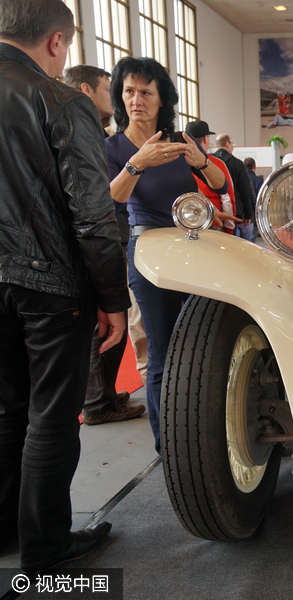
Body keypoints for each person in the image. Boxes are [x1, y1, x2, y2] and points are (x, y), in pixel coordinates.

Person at [0, 0, 129, 571]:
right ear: (57, 43)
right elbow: (93, 215)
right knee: (51, 418)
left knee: (7, 412)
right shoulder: (60, 100)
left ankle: (7, 531)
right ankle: (46, 554)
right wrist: (112, 299)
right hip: (48, 284)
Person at [105, 57, 234, 454]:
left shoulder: (178, 140)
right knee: (161, 349)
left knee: (204, 343)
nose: (136, 99)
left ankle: (209, 432)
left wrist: (202, 160)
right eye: (129, 91)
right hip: (147, 253)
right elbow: (112, 197)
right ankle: (169, 446)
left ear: (162, 99)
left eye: (146, 92)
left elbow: (217, 182)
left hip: (193, 247)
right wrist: (136, 164)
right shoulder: (113, 147)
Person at [64, 64, 145, 425]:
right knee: (106, 322)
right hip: (96, 240)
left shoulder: (90, 132)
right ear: (86, 89)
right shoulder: (82, 134)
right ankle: (97, 403)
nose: (118, 98)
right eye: (111, 89)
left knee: (110, 320)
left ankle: (103, 396)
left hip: (102, 238)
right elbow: (97, 198)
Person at [185, 121, 236, 234]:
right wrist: (229, 227)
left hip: (186, 224)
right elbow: (227, 198)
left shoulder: (179, 162)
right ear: (205, 139)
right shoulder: (217, 164)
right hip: (213, 224)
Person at [212, 133, 256, 241]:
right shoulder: (237, 164)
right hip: (234, 212)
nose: (233, 146)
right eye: (232, 143)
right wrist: (248, 214)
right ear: (227, 144)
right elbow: (245, 190)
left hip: (214, 212)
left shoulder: (210, 161)